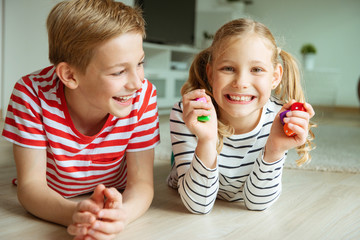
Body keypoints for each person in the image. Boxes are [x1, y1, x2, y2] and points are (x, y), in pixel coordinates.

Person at [1, 0, 160, 239]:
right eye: (118, 72)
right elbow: (30, 187)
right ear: (70, 75)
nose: (137, 83)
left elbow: (142, 184)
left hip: (116, 194)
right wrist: (75, 214)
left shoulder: (144, 95)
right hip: (56, 197)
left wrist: (120, 216)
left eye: (139, 63)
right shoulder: (30, 93)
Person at [167, 18, 316, 214]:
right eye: (228, 68)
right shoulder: (190, 113)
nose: (241, 82)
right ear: (210, 74)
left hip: (247, 187)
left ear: (275, 77)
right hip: (193, 185)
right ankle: (176, 161)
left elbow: (256, 204)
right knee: (180, 164)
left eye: (257, 70)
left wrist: (275, 150)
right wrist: (206, 140)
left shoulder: (278, 120)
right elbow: (198, 206)